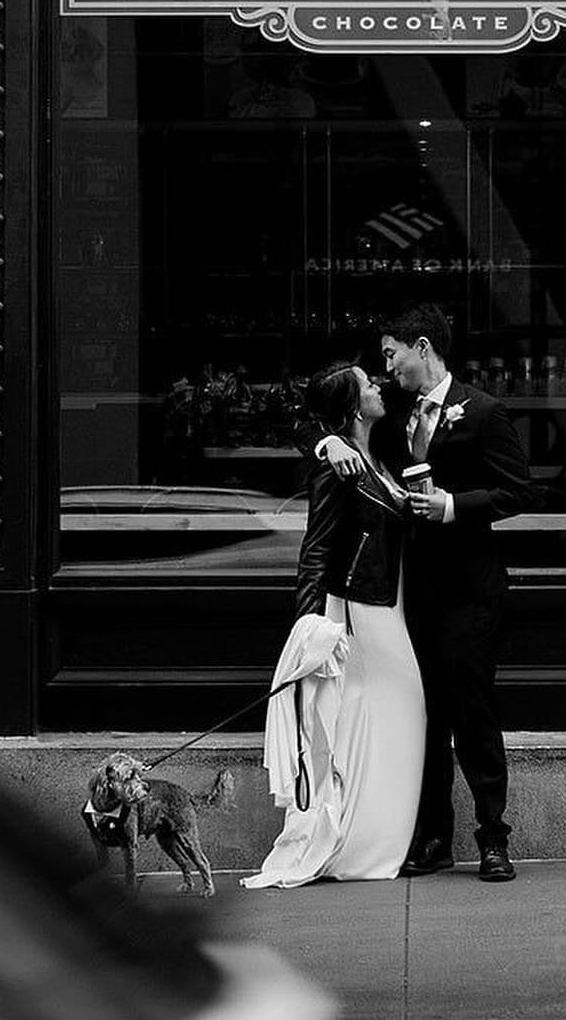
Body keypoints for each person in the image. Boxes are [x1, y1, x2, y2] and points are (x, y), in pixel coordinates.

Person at [315, 303, 534, 884]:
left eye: (391, 354)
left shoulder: (485, 412)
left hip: (469, 593)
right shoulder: (394, 414)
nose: (385, 368)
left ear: (421, 347)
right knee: (426, 719)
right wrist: (324, 445)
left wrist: (452, 507)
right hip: (410, 598)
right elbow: (334, 415)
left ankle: (493, 838)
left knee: (472, 712)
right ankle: (434, 838)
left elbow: (517, 492)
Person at [242, 362, 424, 888]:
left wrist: (322, 438)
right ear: (351, 406)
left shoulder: (376, 452)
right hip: (360, 608)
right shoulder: (337, 464)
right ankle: (359, 847)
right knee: (379, 718)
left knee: (388, 723)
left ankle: (372, 840)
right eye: (369, 384)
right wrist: (308, 622)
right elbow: (316, 546)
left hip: (392, 602)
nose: (379, 386)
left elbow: (303, 422)